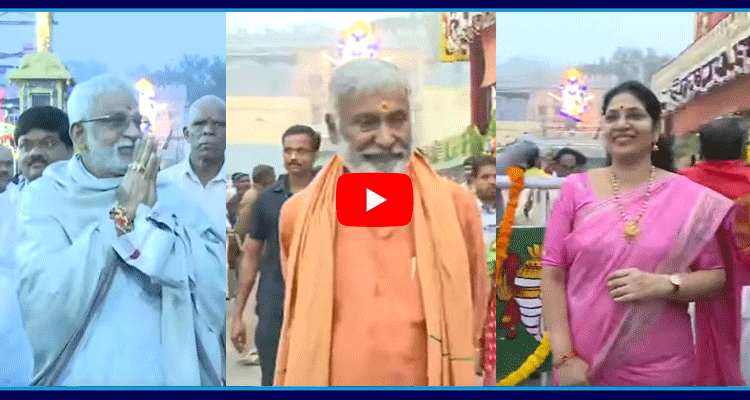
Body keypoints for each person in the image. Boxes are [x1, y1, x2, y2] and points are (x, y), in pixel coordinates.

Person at [274, 59, 486, 386]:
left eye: (398, 120)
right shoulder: (298, 214)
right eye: (368, 123)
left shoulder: (455, 205)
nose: (387, 139)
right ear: (333, 128)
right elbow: (299, 318)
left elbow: (475, 305)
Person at [15, 74, 225, 386]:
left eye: (136, 121)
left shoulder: (169, 194)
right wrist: (123, 215)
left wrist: (156, 226)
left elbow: (215, 286)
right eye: (115, 122)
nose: (131, 133)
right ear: (80, 135)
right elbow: (44, 299)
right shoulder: (47, 197)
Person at [541, 80, 743, 386]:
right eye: (612, 117)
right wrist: (564, 358)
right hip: (581, 368)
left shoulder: (690, 198)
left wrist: (664, 284)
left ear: (656, 129)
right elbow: (553, 274)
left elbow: (716, 275)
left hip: (663, 369)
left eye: (634, 115)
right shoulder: (574, 190)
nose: (622, 124)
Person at [230, 125, 319, 386]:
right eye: (288, 150)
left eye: (301, 151)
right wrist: (238, 314)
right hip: (273, 304)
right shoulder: (268, 200)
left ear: (314, 154)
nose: (293, 157)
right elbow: (251, 255)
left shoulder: (331, 197)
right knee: (272, 376)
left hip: (318, 303)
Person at [678, 116, 750, 383]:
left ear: (702, 147)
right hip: (744, 284)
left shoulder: (684, 181)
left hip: (690, 284)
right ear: (743, 147)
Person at [0, 106, 74, 267]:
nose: (34, 152)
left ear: (71, 149)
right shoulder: (4, 206)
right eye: (25, 145)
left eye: (47, 143)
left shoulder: (88, 201)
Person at [160, 95, 227, 234]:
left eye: (218, 124)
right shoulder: (163, 183)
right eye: (199, 124)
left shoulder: (237, 189)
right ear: (186, 134)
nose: (208, 130)